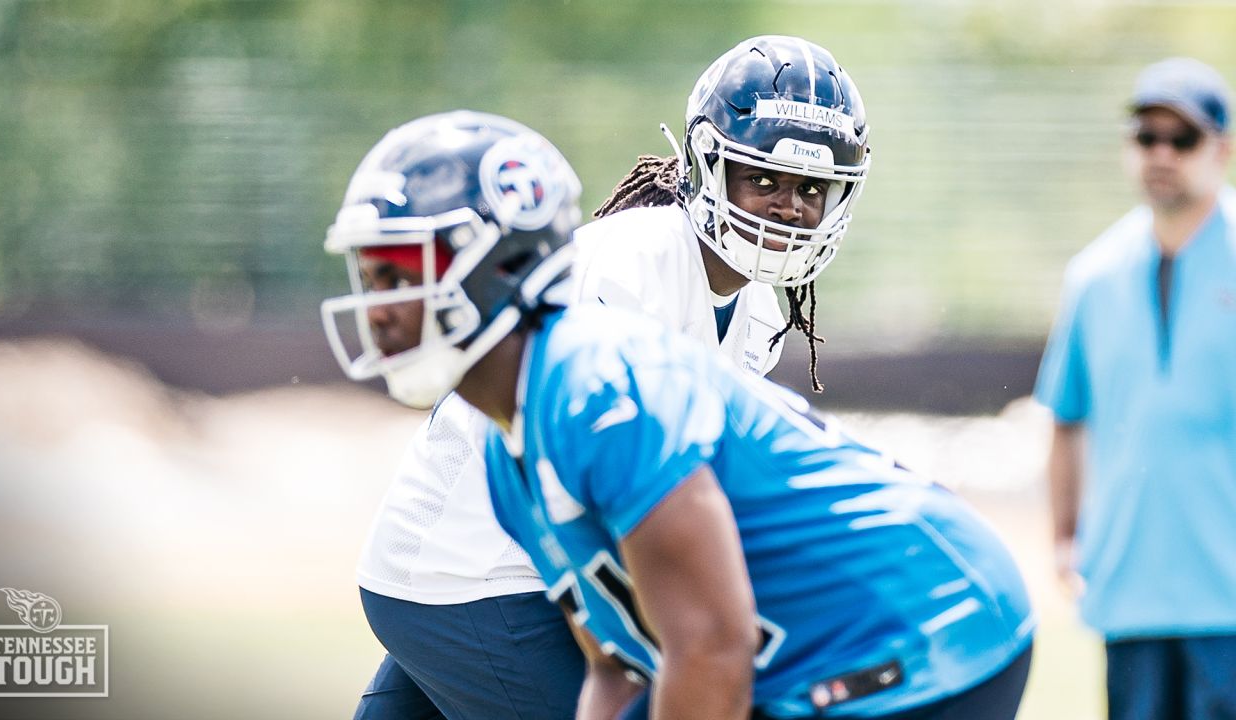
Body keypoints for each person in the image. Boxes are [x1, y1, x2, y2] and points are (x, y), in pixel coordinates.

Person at [321, 109, 1034, 719]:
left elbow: (709, 641)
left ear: (501, 267)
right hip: (821, 607)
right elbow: (618, 659)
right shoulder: (521, 453)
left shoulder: (592, 395)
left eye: (402, 276)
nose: (379, 309)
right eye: (375, 277)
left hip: (926, 625)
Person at [331, 35, 872, 719]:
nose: (789, 206)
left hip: (485, 574)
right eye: (762, 179)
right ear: (708, 164)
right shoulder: (627, 264)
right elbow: (596, 474)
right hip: (485, 572)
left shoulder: (758, 306)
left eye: (810, 189)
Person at [1035, 57, 1236, 720]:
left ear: (1223, 150)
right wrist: (1066, 537)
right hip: (1130, 590)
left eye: (1181, 139)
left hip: (1227, 595)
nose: (1161, 154)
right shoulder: (1093, 276)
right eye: (1146, 137)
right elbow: (1067, 418)